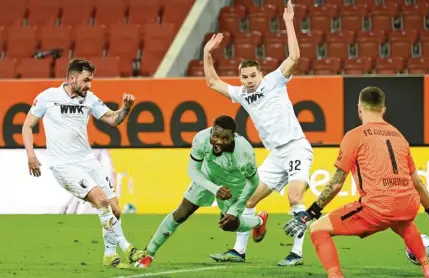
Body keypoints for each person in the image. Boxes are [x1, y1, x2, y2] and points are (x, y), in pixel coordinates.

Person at [283, 87, 429, 278]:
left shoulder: (355, 135)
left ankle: (335, 275)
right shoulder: (399, 135)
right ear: (383, 109)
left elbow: (336, 183)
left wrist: (310, 213)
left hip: (377, 207)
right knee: (403, 222)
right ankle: (428, 269)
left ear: (359, 108)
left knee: (318, 229)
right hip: (407, 205)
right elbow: (416, 181)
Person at [202, 0, 313, 266]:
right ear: (240, 78)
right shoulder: (241, 94)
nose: (249, 80)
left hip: (296, 147)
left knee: (294, 197)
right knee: (247, 199)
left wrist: (288, 22)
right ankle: (238, 252)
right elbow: (212, 82)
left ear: (260, 73)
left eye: (253, 75)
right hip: (275, 155)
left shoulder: (275, 81)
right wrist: (207, 53)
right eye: (244, 77)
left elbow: (295, 58)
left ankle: (296, 253)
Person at [22, 58, 145, 268]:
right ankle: (128, 248)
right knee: (101, 200)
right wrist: (31, 155)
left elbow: (113, 120)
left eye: (91, 81)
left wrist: (126, 107)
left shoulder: (90, 98)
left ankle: (109, 255)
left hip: (88, 161)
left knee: (115, 209)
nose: (89, 85)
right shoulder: (47, 97)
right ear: (72, 78)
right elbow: (27, 126)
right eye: (86, 80)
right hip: (64, 165)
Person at [134, 115, 267, 268]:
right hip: (207, 176)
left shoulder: (244, 153)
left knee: (228, 225)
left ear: (233, 137)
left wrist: (236, 209)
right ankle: (149, 254)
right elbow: (193, 169)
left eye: (225, 138)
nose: (218, 141)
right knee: (182, 212)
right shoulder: (201, 139)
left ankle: (259, 221)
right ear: (212, 130)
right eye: (216, 136)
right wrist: (214, 188)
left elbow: (253, 182)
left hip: (234, 185)